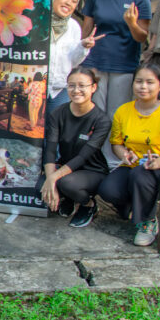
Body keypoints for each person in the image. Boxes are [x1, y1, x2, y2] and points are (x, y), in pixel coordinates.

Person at [97, 63, 160, 247]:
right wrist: (124, 154)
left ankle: (147, 222)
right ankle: (132, 207)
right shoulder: (123, 111)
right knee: (107, 189)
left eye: (150, 82)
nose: (143, 87)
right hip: (133, 165)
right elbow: (116, 143)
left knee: (140, 175)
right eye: (139, 81)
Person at [80, 0, 151, 164]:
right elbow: (87, 28)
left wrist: (132, 23)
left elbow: (142, 36)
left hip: (124, 65)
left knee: (116, 115)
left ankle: (113, 161)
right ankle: (94, 159)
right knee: (96, 113)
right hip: (95, 62)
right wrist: (81, 51)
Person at [41, 68, 111, 228]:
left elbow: (83, 157)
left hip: (92, 170)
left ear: (93, 87)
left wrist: (53, 178)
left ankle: (89, 205)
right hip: (65, 166)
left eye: (82, 86)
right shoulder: (58, 113)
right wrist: (50, 180)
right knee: (40, 187)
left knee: (66, 183)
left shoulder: (102, 120)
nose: (76, 90)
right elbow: (50, 150)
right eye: (71, 85)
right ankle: (69, 199)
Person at [48, 0, 97, 111]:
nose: (69, 3)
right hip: (38, 86)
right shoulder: (38, 21)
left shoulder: (73, 26)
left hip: (60, 89)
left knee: (58, 122)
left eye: (74, 1)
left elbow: (74, 62)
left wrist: (83, 46)